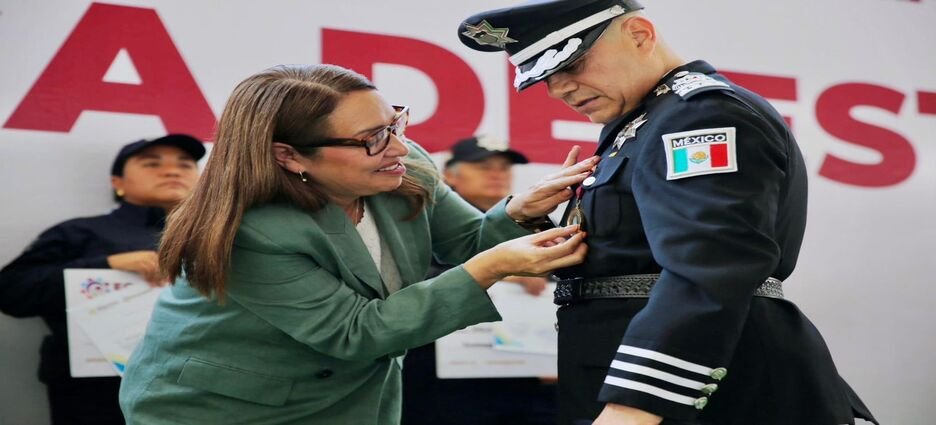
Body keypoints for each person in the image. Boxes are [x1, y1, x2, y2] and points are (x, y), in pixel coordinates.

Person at [458, 1, 879, 424]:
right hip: (646, 380)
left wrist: (634, 405)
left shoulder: (700, 115)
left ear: (639, 34)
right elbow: (624, 256)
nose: (559, 89)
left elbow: (712, 266)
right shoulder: (647, 120)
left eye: (573, 64)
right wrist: (528, 219)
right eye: (547, 78)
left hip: (700, 394)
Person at [118, 64, 593, 425]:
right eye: (372, 138)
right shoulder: (250, 230)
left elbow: (469, 241)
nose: (399, 147)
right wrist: (491, 267)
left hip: (349, 400)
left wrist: (517, 211)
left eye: (395, 123)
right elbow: (355, 332)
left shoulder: (403, 166)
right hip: (222, 407)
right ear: (289, 156)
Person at [0, 134, 204, 425]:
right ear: (117, 182)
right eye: (152, 164)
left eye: (185, 165)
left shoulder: (225, 240)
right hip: (96, 395)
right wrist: (106, 265)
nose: (172, 171)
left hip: (200, 390)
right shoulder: (79, 233)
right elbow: (11, 291)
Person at [402, 135, 558, 425]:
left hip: (526, 375)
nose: (496, 174)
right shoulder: (420, 218)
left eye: (504, 167)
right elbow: (407, 282)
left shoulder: (536, 224)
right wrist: (499, 272)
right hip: (446, 375)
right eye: (483, 166)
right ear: (449, 174)